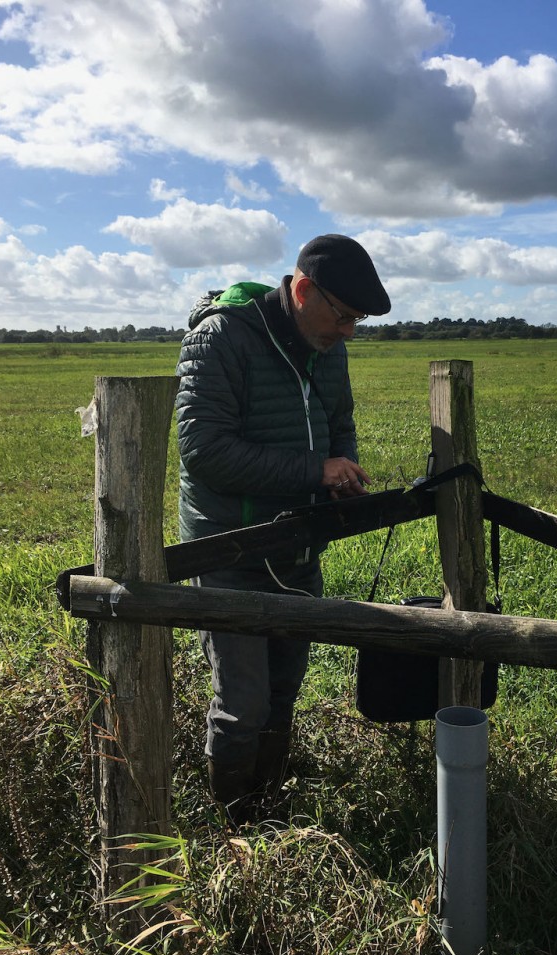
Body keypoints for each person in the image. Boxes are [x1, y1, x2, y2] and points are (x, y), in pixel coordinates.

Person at [175, 234, 391, 822]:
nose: (348, 331)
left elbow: (338, 421)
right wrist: (311, 469)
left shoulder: (328, 345)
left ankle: (270, 807)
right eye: (343, 315)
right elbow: (203, 449)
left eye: (358, 321)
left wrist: (339, 471)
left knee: (281, 694)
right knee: (242, 703)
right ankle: (234, 825)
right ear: (301, 290)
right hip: (228, 552)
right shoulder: (221, 337)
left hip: (297, 547)